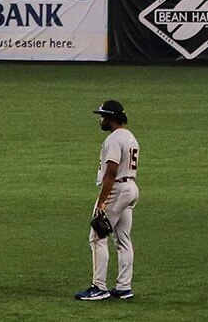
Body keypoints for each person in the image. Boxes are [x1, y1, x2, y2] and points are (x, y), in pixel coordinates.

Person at [75, 100, 140, 301]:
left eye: (103, 116)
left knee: (97, 235)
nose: (101, 119)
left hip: (117, 189)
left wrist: (102, 202)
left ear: (112, 117)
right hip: (131, 188)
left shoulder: (114, 140)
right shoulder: (130, 137)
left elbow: (111, 171)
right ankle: (123, 286)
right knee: (123, 239)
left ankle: (99, 287)